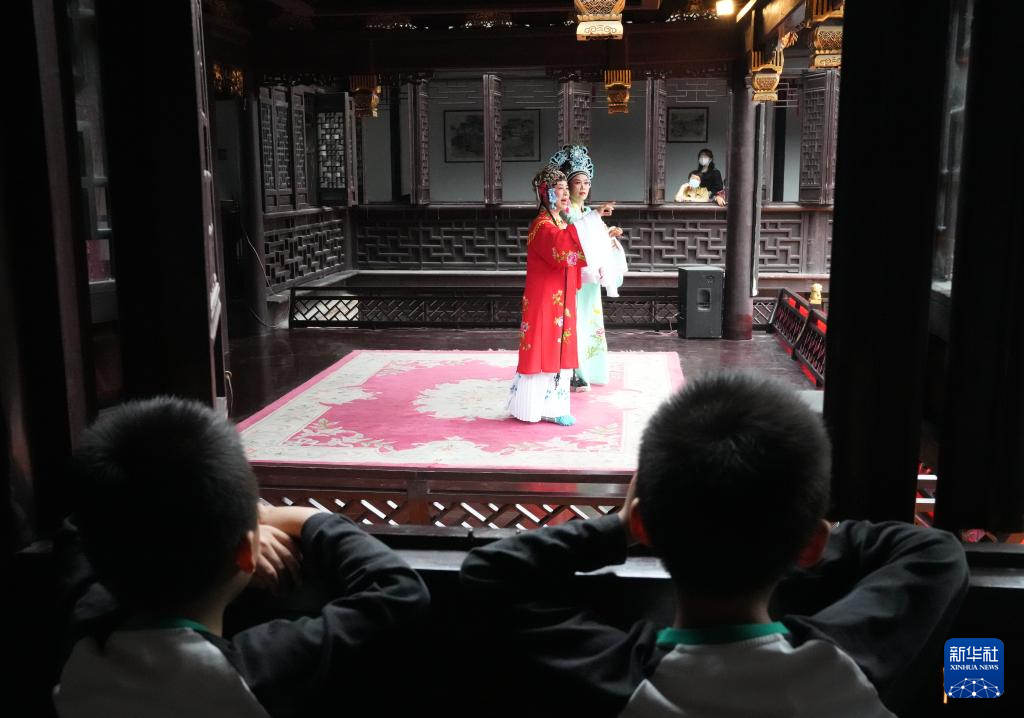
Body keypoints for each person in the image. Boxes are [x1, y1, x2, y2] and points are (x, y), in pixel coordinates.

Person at [463, 372, 969, 717]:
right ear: (810, 545)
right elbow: (936, 553)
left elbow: (490, 574)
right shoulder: (846, 668)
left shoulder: (620, 683)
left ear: (645, 526)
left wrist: (619, 528)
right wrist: (797, 528)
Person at [54, 397, 430, 718]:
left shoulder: (84, 634)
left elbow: (80, 524)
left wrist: (244, 528)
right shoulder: (253, 669)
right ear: (247, 553)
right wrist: (299, 518)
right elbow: (399, 591)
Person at [506, 165, 614, 425]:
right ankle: (531, 408)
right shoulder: (542, 225)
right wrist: (592, 219)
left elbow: (574, 250)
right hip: (545, 299)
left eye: (567, 189)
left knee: (560, 347)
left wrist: (600, 234)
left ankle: (554, 406)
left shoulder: (559, 222)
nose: (566, 194)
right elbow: (562, 249)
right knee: (542, 346)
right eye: (560, 189)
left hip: (562, 298)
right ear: (546, 193)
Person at [549, 144, 628, 391]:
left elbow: (592, 236)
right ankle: (575, 371)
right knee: (574, 322)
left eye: (586, 182)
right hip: (572, 276)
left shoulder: (585, 212)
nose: (583, 187)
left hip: (589, 278)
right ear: (568, 186)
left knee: (590, 322)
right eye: (577, 183)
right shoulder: (564, 212)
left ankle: (590, 369)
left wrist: (608, 235)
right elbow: (574, 234)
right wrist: (597, 222)